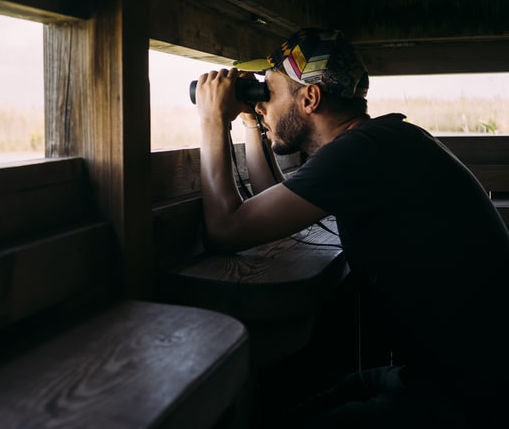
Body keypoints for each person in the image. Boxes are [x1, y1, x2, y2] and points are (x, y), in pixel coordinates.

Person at [192, 28, 509, 428]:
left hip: (469, 396)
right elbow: (270, 202)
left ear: (310, 98)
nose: (261, 105)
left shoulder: (362, 153)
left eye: (267, 93)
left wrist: (210, 120)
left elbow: (225, 228)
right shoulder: (378, 141)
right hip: (453, 373)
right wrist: (251, 121)